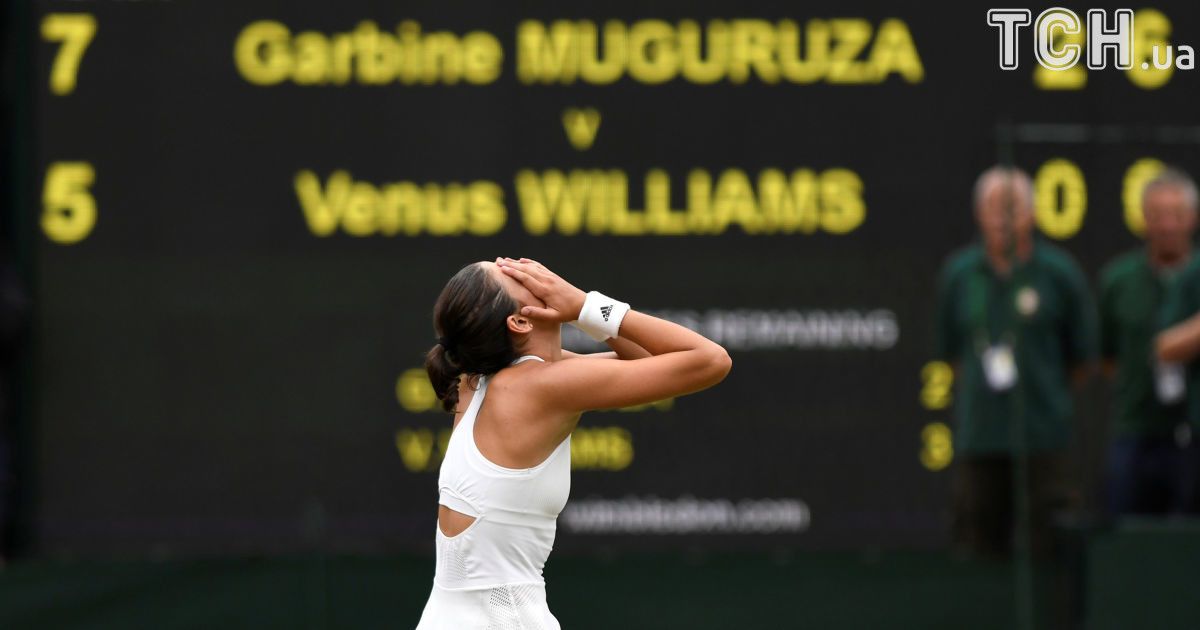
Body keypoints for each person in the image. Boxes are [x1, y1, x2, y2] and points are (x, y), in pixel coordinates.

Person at [415, 257, 731, 629]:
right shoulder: (542, 386)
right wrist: (585, 306)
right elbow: (711, 360)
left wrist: (587, 311)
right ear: (519, 321)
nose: (535, 272)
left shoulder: (483, 379)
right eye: (515, 275)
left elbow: (650, 361)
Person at [934, 166, 1097, 557]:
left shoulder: (1060, 274)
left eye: (1013, 208)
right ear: (978, 214)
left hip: (1044, 438)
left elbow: (1082, 361)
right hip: (981, 438)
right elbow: (952, 357)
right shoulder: (959, 275)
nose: (1003, 219)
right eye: (994, 208)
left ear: (1034, 213)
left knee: (1053, 545)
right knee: (976, 541)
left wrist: (1044, 394)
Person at [1101, 167, 1198, 517]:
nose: (1167, 225)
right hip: (1136, 427)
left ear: (1193, 217)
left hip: (1192, 430)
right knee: (1128, 530)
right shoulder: (1118, 280)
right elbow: (1105, 357)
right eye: (1158, 215)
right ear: (1143, 218)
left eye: (1176, 214)